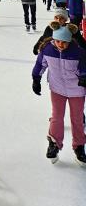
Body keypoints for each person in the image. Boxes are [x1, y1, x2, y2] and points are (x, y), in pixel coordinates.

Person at [32, 26, 86, 165]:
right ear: (53, 39)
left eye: (64, 42)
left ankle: (79, 146)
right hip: (57, 89)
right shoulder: (47, 49)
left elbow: (84, 67)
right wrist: (36, 79)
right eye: (58, 41)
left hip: (77, 90)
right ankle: (54, 144)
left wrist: (84, 76)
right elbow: (40, 64)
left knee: (77, 118)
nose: (61, 45)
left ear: (69, 41)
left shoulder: (78, 51)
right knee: (56, 116)